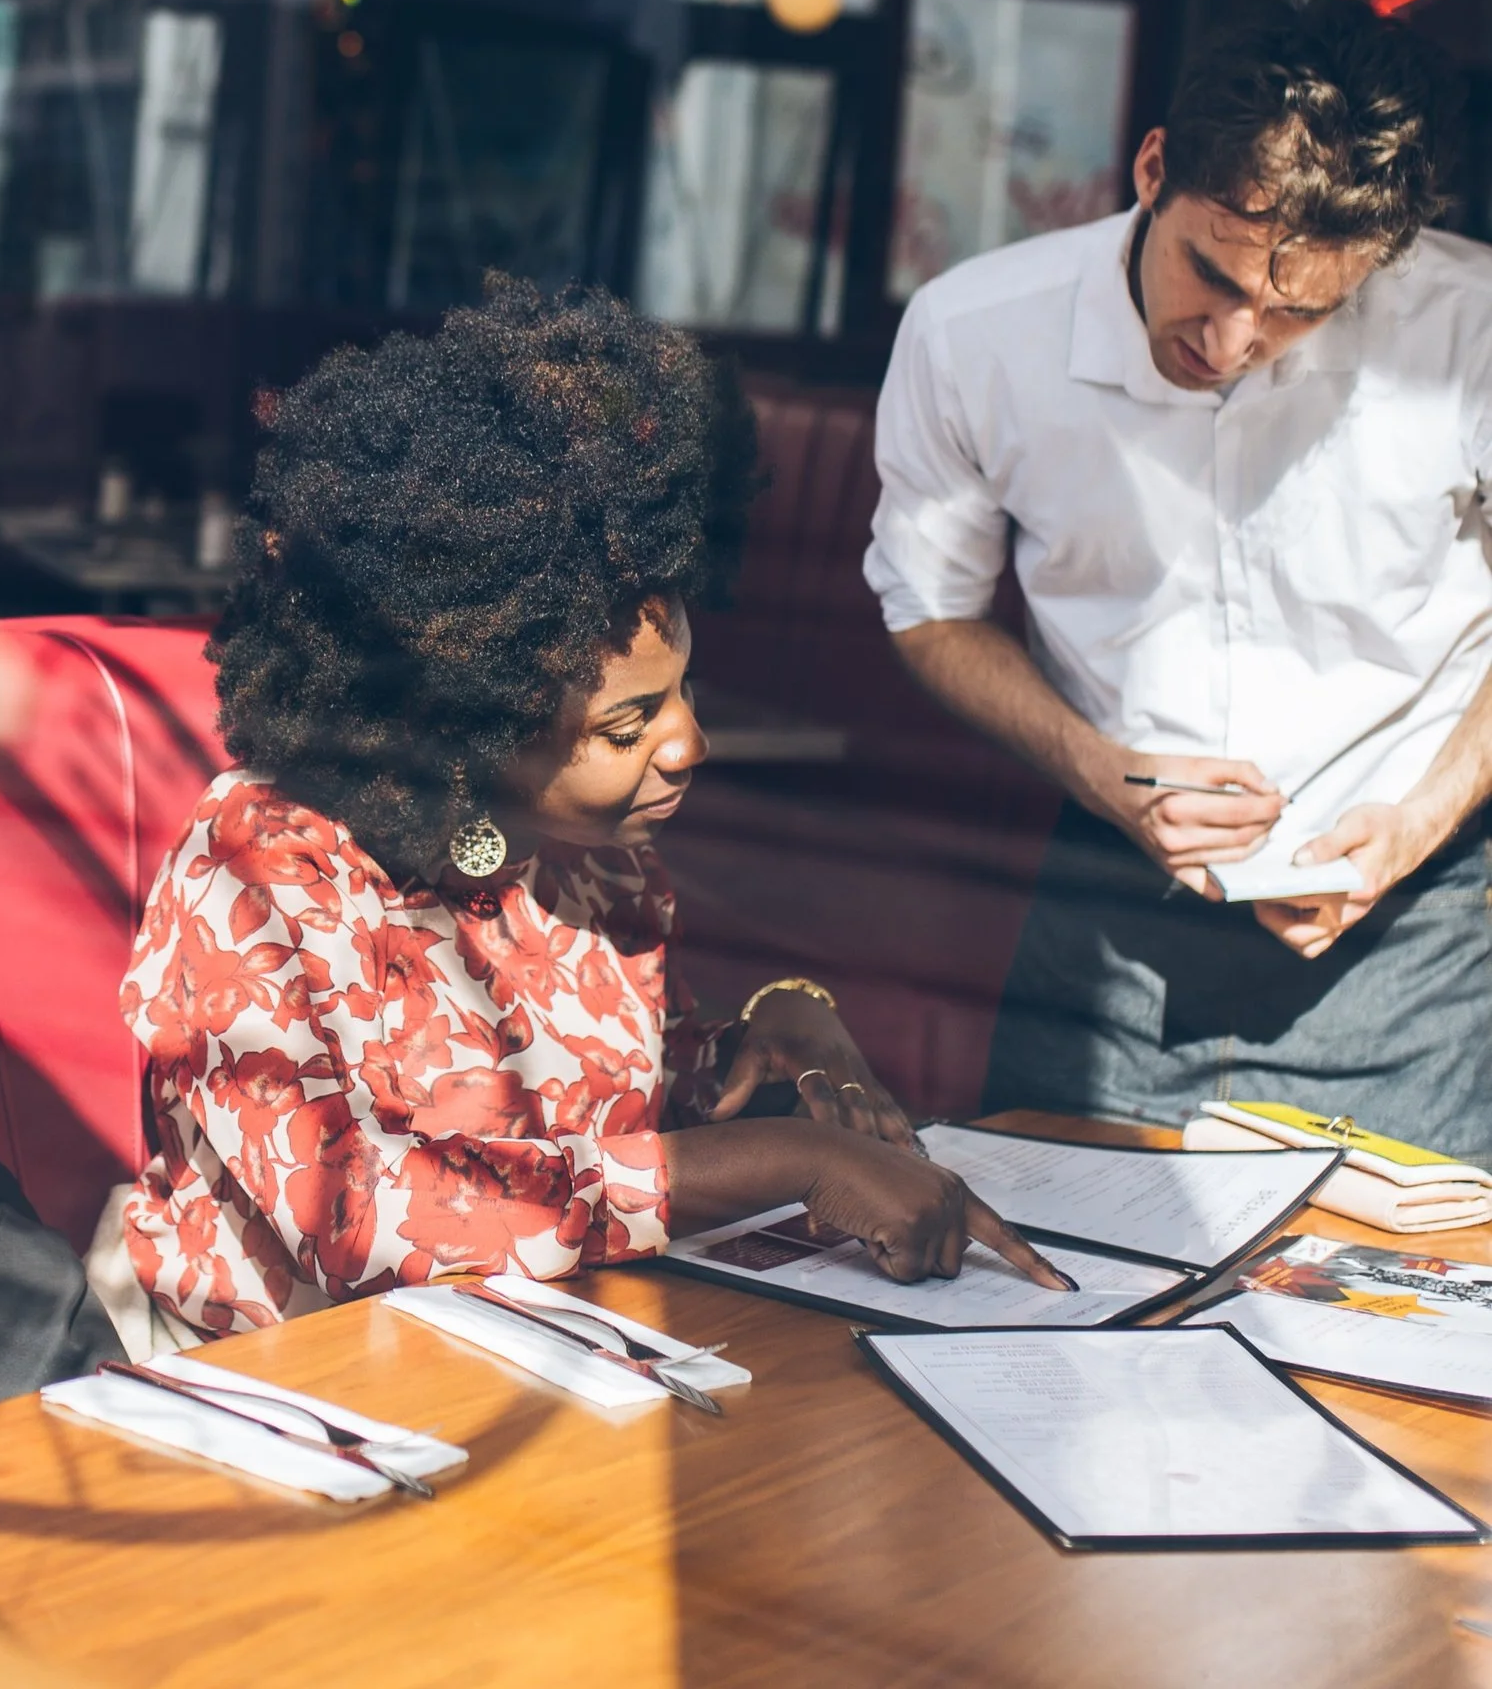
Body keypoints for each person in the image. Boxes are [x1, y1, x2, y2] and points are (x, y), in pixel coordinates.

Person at [118, 278, 1066, 1337]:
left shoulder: (591, 859)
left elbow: (608, 1116)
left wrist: (763, 1032)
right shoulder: (255, 871)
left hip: (540, 1363)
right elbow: (353, 1218)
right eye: (629, 726)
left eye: (686, 691)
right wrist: (788, 1159)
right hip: (282, 1397)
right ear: (466, 716)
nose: (688, 745)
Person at [866, 0, 1492, 1159]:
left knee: (1399, 1326)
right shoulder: (971, 332)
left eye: (1300, 311)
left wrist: (1410, 827)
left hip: (1416, 937)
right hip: (1107, 919)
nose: (1232, 338)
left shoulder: (1473, 334)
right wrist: (1100, 772)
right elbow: (930, 609)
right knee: (1047, 1297)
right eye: (1211, 272)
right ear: (1152, 167)